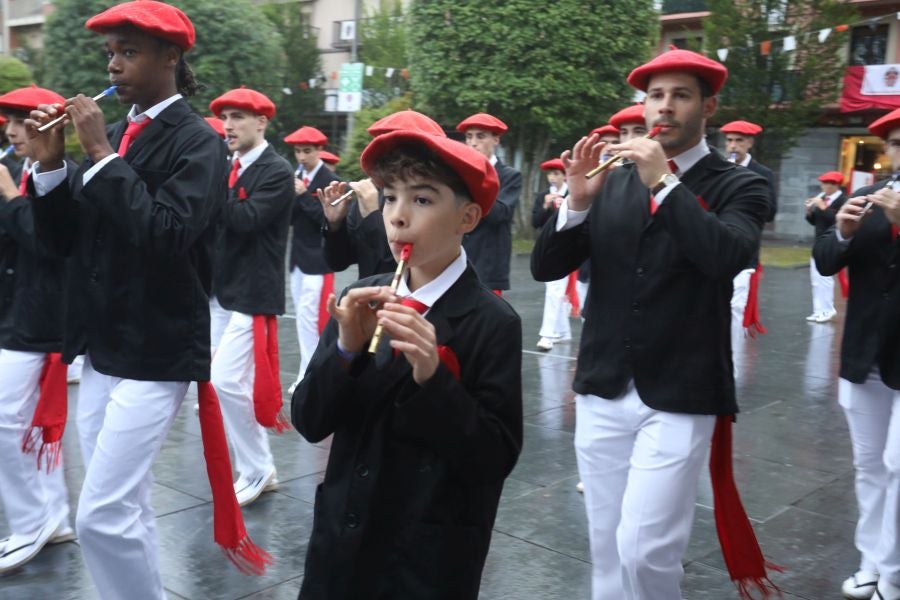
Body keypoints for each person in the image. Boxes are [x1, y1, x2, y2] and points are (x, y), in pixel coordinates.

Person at [24, 2, 268, 596]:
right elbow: (62, 242)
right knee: (126, 506)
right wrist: (53, 166)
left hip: (158, 348)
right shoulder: (113, 135)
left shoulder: (198, 143)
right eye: (110, 53)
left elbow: (167, 236)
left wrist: (103, 158)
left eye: (129, 52)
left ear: (171, 58)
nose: (113, 65)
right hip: (103, 344)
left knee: (100, 515)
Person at [531, 48, 772, 599]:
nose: (664, 108)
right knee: (606, 545)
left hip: (682, 389)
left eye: (680, 95)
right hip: (603, 380)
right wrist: (576, 204)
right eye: (655, 96)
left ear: (708, 105)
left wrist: (665, 183)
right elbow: (547, 266)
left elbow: (726, 255)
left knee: (646, 548)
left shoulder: (739, 183)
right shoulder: (610, 179)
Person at [292, 124, 523, 599]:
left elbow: (493, 458)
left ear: (468, 217)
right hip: (339, 550)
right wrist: (346, 351)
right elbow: (310, 421)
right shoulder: (360, 298)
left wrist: (434, 380)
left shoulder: (492, 321)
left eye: (422, 200)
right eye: (390, 196)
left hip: (425, 562)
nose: (396, 217)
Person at [813, 107, 900, 600]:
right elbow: (825, 261)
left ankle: (892, 572)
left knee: (898, 464)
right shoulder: (865, 197)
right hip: (864, 351)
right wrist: (841, 231)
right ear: (888, 150)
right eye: (897, 142)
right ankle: (871, 558)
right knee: (870, 465)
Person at [0, 85, 75, 573]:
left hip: (43, 318)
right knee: (30, 427)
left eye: (22, 121)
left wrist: (8, 198)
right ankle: (55, 515)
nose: (11, 131)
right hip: (17, 311)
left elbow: (51, 243)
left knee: (7, 422)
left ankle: (31, 523)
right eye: (7, 122)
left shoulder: (63, 175)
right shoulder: (18, 170)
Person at [208, 88, 294, 506]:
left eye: (238, 117)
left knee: (225, 380)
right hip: (221, 291)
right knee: (224, 381)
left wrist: (207, 194)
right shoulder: (228, 167)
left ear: (262, 123)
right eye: (226, 117)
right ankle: (256, 467)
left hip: (254, 293)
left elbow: (247, 219)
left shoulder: (276, 171)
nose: (228, 126)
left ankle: (259, 469)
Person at [320, 109, 445, 281]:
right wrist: (335, 224)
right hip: (368, 300)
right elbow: (338, 262)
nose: (383, 159)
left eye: (392, 151)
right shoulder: (371, 193)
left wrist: (372, 215)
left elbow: (399, 261)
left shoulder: (431, 200)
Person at [285, 125, 340, 393]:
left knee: (311, 319)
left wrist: (302, 195)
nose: (302, 156)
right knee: (302, 319)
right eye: (298, 151)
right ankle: (306, 371)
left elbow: (325, 219)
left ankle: (309, 375)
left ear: (319, 150)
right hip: (297, 258)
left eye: (307, 151)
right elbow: (291, 217)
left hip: (317, 260)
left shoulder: (330, 180)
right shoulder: (296, 176)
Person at [720, 120, 777, 334]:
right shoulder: (719, 168)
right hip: (716, 246)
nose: (733, 146)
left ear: (750, 143)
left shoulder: (762, 173)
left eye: (739, 141)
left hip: (745, 248)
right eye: (729, 141)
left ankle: (733, 363)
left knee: (736, 308)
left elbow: (770, 212)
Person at [457, 112, 522, 295]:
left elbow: (499, 214)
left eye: (480, 136)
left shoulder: (510, 176)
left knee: (486, 322)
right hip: (457, 261)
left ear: (496, 139)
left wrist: (475, 178)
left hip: (488, 266)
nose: (473, 142)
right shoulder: (459, 174)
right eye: (469, 137)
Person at [532, 157, 573, 351]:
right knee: (555, 289)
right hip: (546, 247)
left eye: (556, 173)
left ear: (564, 175)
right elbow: (536, 222)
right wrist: (545, 206)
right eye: (550, 174)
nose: (552, 178)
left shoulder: (573, 192)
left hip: (567, 247)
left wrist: (565, 204)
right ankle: (563, 331)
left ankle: (547, 335)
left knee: (555, 291)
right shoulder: (543, 195)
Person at [805, 171, 847, 324]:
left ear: (834, 185)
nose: (822, 186)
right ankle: (818, 310)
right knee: (815, 280)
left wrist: (822, 206)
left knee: (825, 279)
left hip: (832, 243)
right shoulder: (823, 198)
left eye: (825, 183)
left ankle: (828, 309)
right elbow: (815, 221)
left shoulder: (843, 200)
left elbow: (836, 221)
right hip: (818, 243)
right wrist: (809, 211)